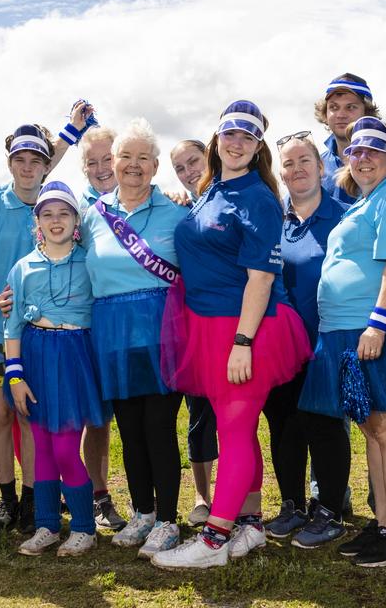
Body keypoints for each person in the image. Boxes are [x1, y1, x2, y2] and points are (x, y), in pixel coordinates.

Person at [152, 100, 312, 569]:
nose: (237, 142)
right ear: (217, 139)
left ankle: (214, 539)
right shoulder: (212, 189)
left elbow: (261, 278)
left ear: (258, 145)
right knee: (234, 427)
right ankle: (251, 524)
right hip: (210, 323)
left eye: (247, 135)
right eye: (230, 134)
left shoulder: (259, 197)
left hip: (248, 327)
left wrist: (243, 343)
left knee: (236, 430)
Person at [298, 117, 386, 568]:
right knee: (372, 428)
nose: (364, 157)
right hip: (344, 329)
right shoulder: (364, 201)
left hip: (376, 328)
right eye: (356, 150)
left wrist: (377, 323)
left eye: (376, 149)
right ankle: (382, 524)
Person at [0, 113, 78, 535]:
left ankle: (34, 499)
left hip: (43, 337)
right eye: (20, 160)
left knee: (31, 418)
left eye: (36, 161)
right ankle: (7, 499)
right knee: (1, 416)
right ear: (9, 163)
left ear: (47, 165)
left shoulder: (58, 208)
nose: (28, 168)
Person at [82, 120, 190, 557]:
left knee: (159, 427)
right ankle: (142, 511)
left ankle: (167, 520)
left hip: (162, 332)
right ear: (113, 161)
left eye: (143, 157)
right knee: (128, 429)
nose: (132, 165)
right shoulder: (92, 216)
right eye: (125, 156)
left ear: (155, 165)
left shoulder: (177, 212)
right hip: (111, 332)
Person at [5, 181, 110, 557]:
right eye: (47, 214)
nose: (55, 220)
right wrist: (15, 374)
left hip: (74, 356)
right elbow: (13, 324)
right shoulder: (23, 267)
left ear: (76, 220)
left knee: (66, 447)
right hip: (34, 354)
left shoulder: (89, 261)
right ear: (37, 222)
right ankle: (48, 525)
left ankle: (83, 527)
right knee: (43, 449)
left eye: (63, 212)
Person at [265, 133, 349, 549]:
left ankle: (330, 510)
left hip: (325, 341)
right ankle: (292, 505)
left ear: (321, 167)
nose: (297, 169)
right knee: (282, 426)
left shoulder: (345, 217)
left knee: (325, 425)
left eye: (305, 161)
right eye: (288, 163)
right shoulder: (271, 219)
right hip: (278, 345)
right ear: (280, 173)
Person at [76, 123, 126, 531]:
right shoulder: (77, 209)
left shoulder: (144, 198)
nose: (100, 168)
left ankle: (149, 499)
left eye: (107, 159)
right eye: (91, 162)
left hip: (127, 327)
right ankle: (94, 494)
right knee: (92, 417)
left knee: (120, 416)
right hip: (84, 327)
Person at [169, 137, 219, 525]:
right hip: (193, 325)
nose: (189, 172)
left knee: (240, 417)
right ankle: (203, 497)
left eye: (193, 162)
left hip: (233, 321)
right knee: (199, 414)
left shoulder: (230, 197)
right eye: (180, 168)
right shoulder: (180, 210)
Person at [315, 73, 381, 206]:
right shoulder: (316, 166)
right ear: (325, 113)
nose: (340, 115)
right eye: (334, 107)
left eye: (350, 107)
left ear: (367, 112)